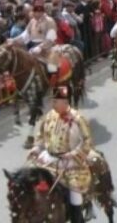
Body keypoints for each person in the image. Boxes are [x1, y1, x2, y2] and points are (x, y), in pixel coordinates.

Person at [28, 86, 94, 223]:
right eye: (53, 101)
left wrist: (72, 154)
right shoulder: (49, 116)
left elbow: (87, 142)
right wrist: (36, 149)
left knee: (75, 193)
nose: (52, 104)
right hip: (49, 157)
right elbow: (40, 136)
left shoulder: (78, 119)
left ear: (65, 102)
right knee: (30, 178)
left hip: (71, 162)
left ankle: (78, 218)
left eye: (55, 101)